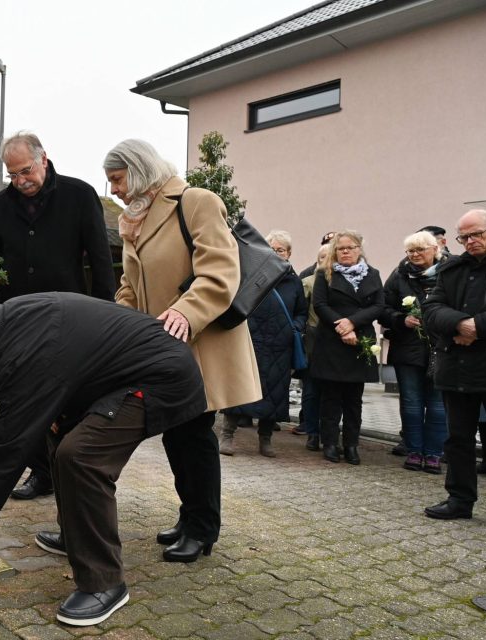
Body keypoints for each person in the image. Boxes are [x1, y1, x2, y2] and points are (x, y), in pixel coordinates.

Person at [0, 294, 206, 627]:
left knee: (80, 456)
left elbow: (5, 455)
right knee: (53, 437)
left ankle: (104, 583)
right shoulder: (12, 327)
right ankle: (77, 538)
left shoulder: (21, 351)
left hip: (161, 374)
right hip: (122, 375)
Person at [104, 138, 260, 562]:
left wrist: (185, 313)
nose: (114, 190)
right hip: (162, 348)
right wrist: (118, 322)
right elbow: (129, 286)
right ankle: (190, 515)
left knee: (192, 437)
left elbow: (220, 271)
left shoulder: (196, 202)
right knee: (178, 435)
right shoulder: (133, 220)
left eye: (117, 179)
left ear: (138, 170)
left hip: (201, 341)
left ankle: (203, 527)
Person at [0, 131, 116, 501]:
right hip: (17, 318)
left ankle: (71, 473)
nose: (21, 181)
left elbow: (101, 259)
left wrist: (106, 313)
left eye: (26, 171)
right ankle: (42, 473)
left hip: (68, 320)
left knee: (68, 401)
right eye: (12, 175)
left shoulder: (79, 194)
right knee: (21, 401)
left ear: (44, 159)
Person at [423, 209, 486, 535]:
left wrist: (479, 327)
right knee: (457, 439)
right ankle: (459, 498)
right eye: (464, 237)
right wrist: (460, 324)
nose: (470, 242)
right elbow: (431, 309)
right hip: (457, 367)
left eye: (477, 235)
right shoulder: (452, 269)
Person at [220, 230, 307, 457]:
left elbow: (301, 312)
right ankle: (227, 434)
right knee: (238, 388)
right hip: (251, 340)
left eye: (281, 249)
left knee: (273, 393)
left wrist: (294, 328)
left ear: (288, 254)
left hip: (280, 345)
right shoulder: (253, 273)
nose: (276, 253)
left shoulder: (294, 282)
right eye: (272, 249)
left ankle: (265, 440)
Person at [309, 230, 383, 465]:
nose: (346, 252)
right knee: (330, 396)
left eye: (350, 247)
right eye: (341, 248)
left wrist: (353, 323)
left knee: (354, 398)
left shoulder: (373, 274)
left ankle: (351, 444)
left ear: (359, 249)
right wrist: (343, 327)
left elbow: (379, 306)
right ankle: (330, 442)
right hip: (332, 341)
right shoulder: (325, 274)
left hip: (359, 341)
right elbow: (320, 305)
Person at [379, 231, 448, 473]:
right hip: (408, 348)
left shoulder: (450, 272)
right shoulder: (399, 275)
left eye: (421, 249)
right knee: (411, 403)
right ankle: (414, 451)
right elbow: (383, 308)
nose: (416, 255)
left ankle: (434, 454)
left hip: (442, 349)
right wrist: (401, 319)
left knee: (438, 404)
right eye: (411, 251)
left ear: (435, 249)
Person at [294, 245, 331, 451]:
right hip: (312, 342)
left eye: (329, 257)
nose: (326, 261)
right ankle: (311, 432)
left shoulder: (342, 283)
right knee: (310, 390)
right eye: (322, 257)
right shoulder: (307, 283)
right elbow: (300, 311)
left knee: (331, 393)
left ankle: (328, 433)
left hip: (334, 344)